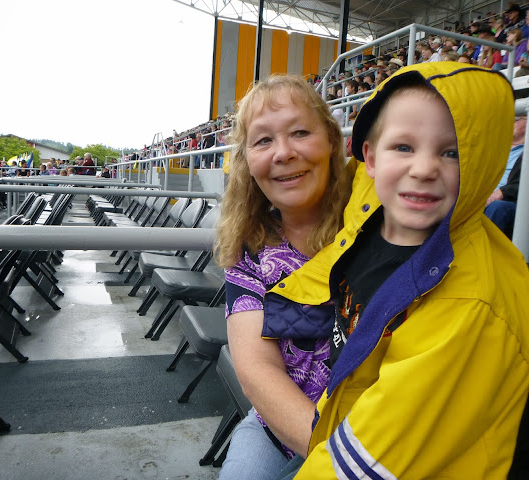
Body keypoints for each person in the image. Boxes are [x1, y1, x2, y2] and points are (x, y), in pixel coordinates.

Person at [267, 62, 529, 479]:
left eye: (452, 153)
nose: (423, 169)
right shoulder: (373, 208)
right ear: (370, 158)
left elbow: (372, 462)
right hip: (343, 418)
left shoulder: (469, 303)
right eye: (404, 147)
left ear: (483, 162)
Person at [215, 74, 352, 479]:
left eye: (299, 132)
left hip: (381, 431)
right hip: (279, 427)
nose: (284, 153)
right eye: (263, 141)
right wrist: (338, 462)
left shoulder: (380, 224)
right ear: (247, 161)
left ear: (331, 140)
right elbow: (258, 369)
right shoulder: (248, 248)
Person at [484, 115, 526, 237]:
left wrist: (502, 192)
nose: (510, 122)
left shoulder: (525, 153)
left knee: (497, 207)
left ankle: (482, 247)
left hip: (510, 202)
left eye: (516, 119)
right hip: (483, 197)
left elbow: (523, 183)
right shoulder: (495, 149)